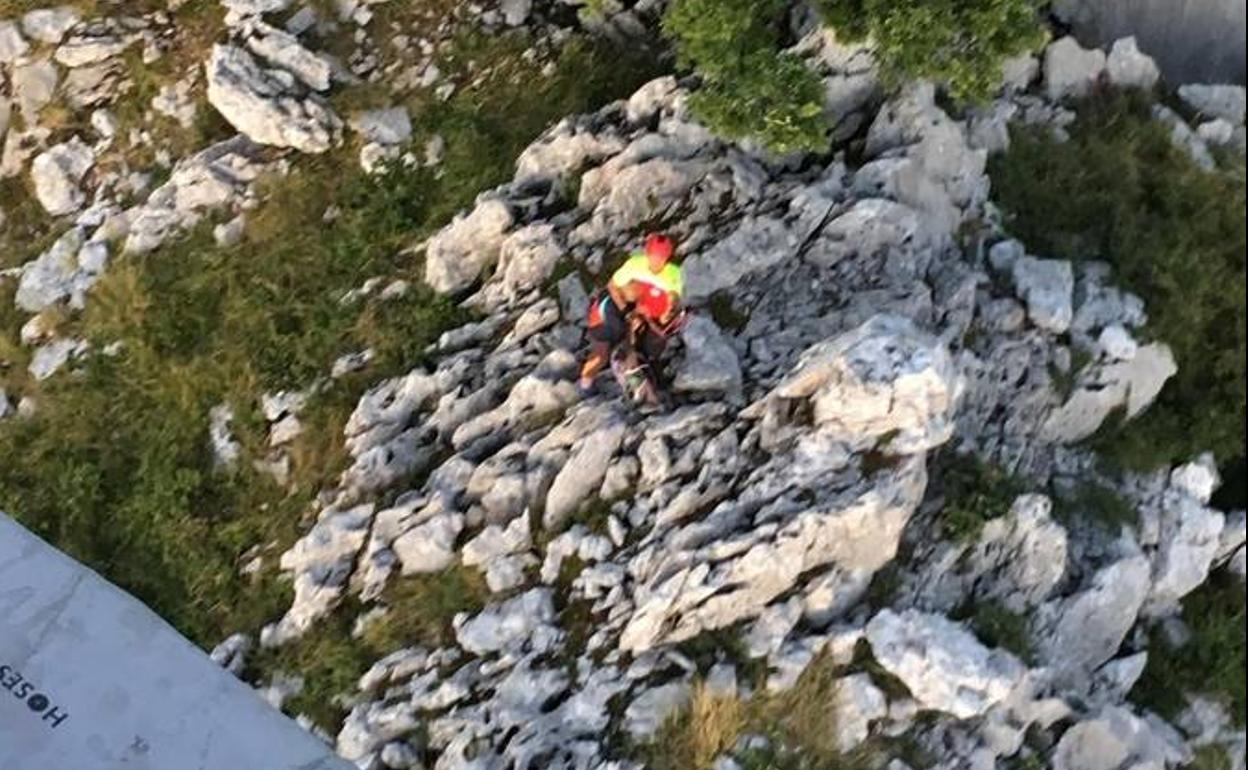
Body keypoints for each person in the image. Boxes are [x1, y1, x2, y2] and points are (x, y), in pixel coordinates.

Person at [579, 233, 684, 394]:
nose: (656, 261)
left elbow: (673, 295)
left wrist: (669, 311)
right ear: (647, 254)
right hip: (609, 308)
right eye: (653, 256)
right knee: (602, 353)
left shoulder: (672, 273)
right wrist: (628, 312)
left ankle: (647, 379)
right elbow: (612, 286)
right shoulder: (634, 266)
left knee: (645, 344)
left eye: (661, 258)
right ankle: (585, 385)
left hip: (636, 309)